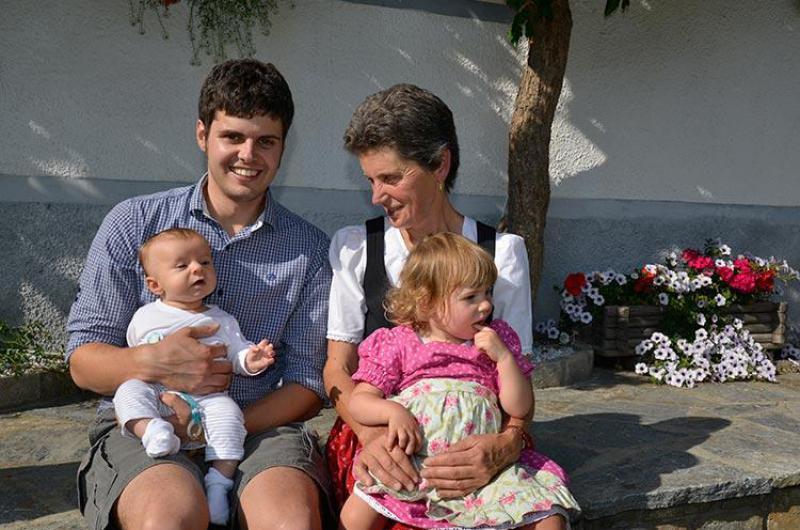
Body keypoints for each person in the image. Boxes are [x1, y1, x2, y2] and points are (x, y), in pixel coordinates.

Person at [67, 58, 332, 530]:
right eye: (233, 136)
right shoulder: (135, 224)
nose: (248, 155)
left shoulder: (309, 249)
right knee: (168, 517)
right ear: (202, 135)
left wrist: (218, 426)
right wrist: (153, 364)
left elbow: (306, 384)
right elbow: (83, 360)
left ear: (283, 148)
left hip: (257, 427)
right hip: (144, 421)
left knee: (289, 522)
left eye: (265, 141)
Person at [323, 84, 538, 530]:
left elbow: (518, 377)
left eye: (391, 178)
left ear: (440, 165)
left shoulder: (501, 253)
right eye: (370, 179)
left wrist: (506, 444)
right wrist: (371, 436)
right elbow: (336, 370)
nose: (376, 196)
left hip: (474, 437)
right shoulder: (356, 248)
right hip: (385, 438)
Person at [338, 233, 580, 529]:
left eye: (488, 293)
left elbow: (519, 407)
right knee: (355, 515)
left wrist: (504, 361)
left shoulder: (497, 341)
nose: (486, 306)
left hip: (488, 468)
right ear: (426, 303)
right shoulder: (398, 343)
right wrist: (392, 412)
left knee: (549, 519)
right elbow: (359, 401)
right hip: (417, 463)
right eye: (471, 297)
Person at [113, 228, 277, 525]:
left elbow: (237, 354)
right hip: (158, 395)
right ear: (154, 284)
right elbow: (136, 357)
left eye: (205, 262)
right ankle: (150, 429)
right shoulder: (145, 317)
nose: (197, 269)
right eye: (182, 265)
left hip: (208, 399)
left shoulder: (221, 320)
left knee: (230, 416)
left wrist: (252, 360)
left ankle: (219, 483)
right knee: (128, 390)